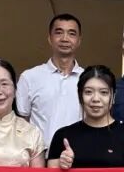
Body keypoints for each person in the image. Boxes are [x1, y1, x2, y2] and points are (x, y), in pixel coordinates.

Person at [15, 13, 83, 145]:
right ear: (49, 38)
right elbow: (21, 123)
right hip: (40, 153)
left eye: (71, 34)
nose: (65, 39)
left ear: (79, 40)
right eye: (59, 32)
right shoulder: (29, 77)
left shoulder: (88, 79)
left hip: (79, 153)